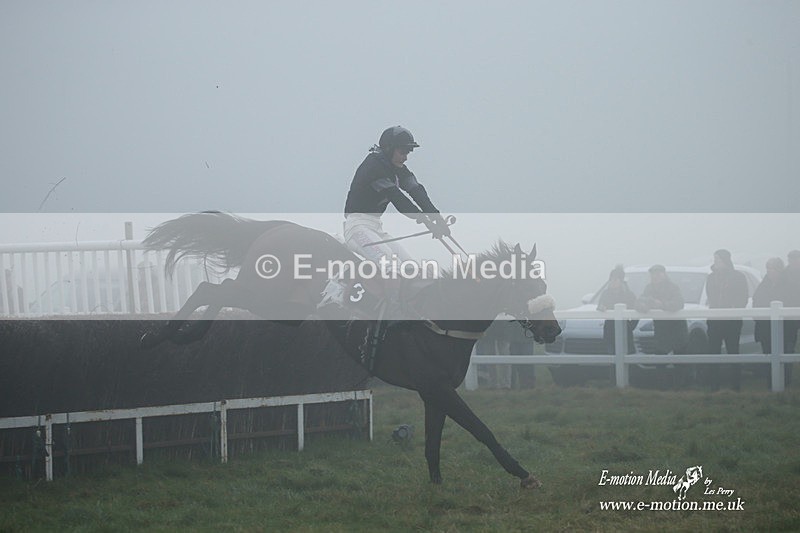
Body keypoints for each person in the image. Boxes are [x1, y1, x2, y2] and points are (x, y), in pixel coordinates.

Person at [342, 126, 450, 366]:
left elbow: (416, 191)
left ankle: (409, 312)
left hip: (375, 227)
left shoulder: (396, 167)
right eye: (403, 151)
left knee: (411, 268)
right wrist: (426, 221)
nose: (406, 156)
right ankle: (394, 314)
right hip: (357, 227)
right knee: (390, 267)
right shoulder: (373, 167)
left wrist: (437, 218)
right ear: (389, 149)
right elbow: (399, 200)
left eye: (408, 152)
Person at [705, 249, 748, 390]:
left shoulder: (738, 277)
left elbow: (743, 297)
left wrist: (733, 307)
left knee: (733, 351)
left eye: (718, 259)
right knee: (713, 351)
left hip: (732, 321)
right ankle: (713, 385)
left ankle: (736, 386)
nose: (715, 262)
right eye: (714, 259)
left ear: (725, 260)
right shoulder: (711, 278)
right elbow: (710, 296)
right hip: (714, 321)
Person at [753, 257, 793, 386]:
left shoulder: (789, 285)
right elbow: (756, 301)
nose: (769, 271)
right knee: (768, 355)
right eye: (768, 268)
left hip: (785, 329)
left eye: (772, 268)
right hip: (766, 328)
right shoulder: (763, 285)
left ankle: (785, 384)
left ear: (779, 270)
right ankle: (770, 383)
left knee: (785, 355)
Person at [636, 265, 688, 355]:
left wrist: (662, 305)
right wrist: (645, 306)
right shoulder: (649, 288)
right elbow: (638, 303)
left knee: (680, 358)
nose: (655, 277)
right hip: (660, 329)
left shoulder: (673, 287)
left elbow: (679, 303)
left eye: (658, 274)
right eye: (653, 274)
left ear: (664, 275)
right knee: (660, 359)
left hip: (676, 328)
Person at [596, 265, 638, 355]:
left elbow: (636, 312)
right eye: (611, 279)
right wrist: (602, 308)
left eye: (615, 279)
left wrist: (630, 326)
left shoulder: (629, 295)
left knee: (627, 355)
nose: (612, 282)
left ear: (621, 281)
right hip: (610, 331)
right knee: (611, 357)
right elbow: (600, 305)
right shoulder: (606, 293)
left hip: (625, 331)